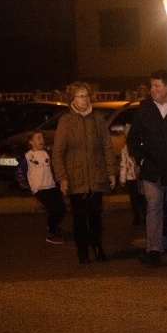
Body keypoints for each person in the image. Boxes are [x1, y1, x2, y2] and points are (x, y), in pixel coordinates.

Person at [128, 69, 167, 266]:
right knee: (153, 209)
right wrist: (140, 159)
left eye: (157, 86)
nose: (152, 89)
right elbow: (133, 138)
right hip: (152, 171)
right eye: (151, 85)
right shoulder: (144, 109)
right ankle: (154, 249)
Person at [52, 81, 116, 264]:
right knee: (79, 218)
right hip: (76, 178)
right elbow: (58, 152)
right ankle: (82, 251)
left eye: (86, 96)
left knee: (95, 216)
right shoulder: (66, 121)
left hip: (96, 176)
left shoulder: (98, 119)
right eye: (81, 96)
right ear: (72, 99)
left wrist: (111, 171)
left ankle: (97, 246)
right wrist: (62, 177)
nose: (85, 100)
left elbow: (107, 147)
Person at [18, 130, 67, 244]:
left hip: (51, 185)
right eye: (38, 138)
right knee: (53, 210)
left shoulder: (46, 153)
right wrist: (27, 187)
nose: (41, 140)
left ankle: (53, 226)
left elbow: (54, 168)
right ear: (31, 141)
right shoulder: (28, 156)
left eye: (42, 138)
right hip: (39, 188)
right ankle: (51, 233)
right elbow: (20, 172)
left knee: (62, 209)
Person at [118, 126, 147, 226]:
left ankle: (144, 217)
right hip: (131, 178)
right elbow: (123, 165)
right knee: (134, 199)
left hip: (139, 177)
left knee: (143, 198)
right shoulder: (125, 149)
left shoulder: (141, 147)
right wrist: (123, 178)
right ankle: (137, 218)